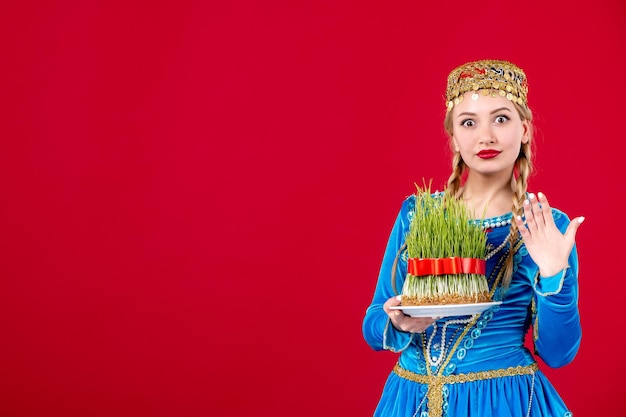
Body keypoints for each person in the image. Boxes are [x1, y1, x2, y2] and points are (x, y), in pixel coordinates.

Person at [362, 59, 584, 417]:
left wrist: (555, 273)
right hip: (408, 399)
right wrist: (396, 322)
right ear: (453, 135)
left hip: (502, 402)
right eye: (469, 122)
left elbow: (559, 353)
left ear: (524, 129)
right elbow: (373, 326)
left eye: (501, 119)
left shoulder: (545, 225)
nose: (486, 137)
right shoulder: (417, 214)